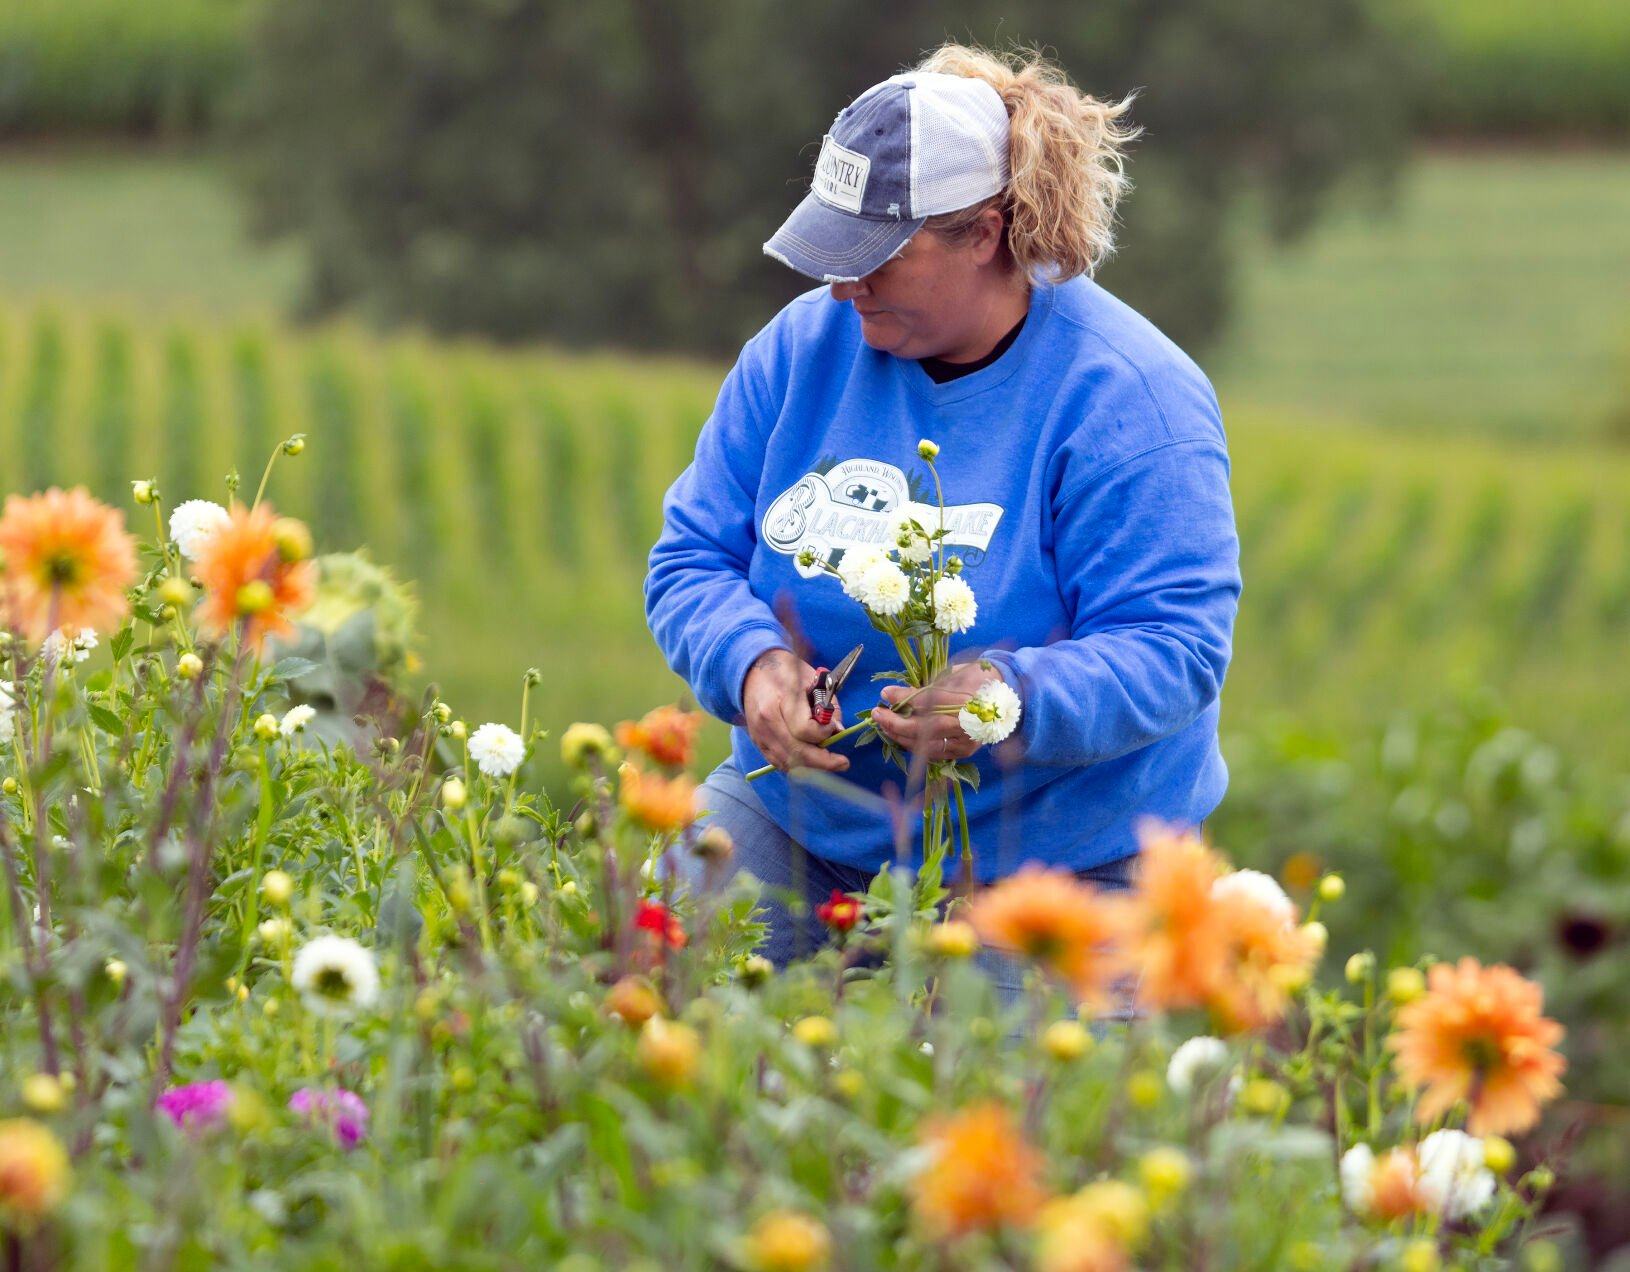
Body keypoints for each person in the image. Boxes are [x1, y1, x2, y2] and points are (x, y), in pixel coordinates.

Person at [643, 44, 1240, 1000]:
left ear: (986, 233)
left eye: (876, 258)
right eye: (832, 254)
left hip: (1058, 865)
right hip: (808, 829)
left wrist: (1005, 699)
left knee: (1008, 1134)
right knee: (652, 985)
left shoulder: (1131, 400)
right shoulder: (798, 353)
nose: (844, 289)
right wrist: (751, 664)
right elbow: (692, 558)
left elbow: (1177, 648)